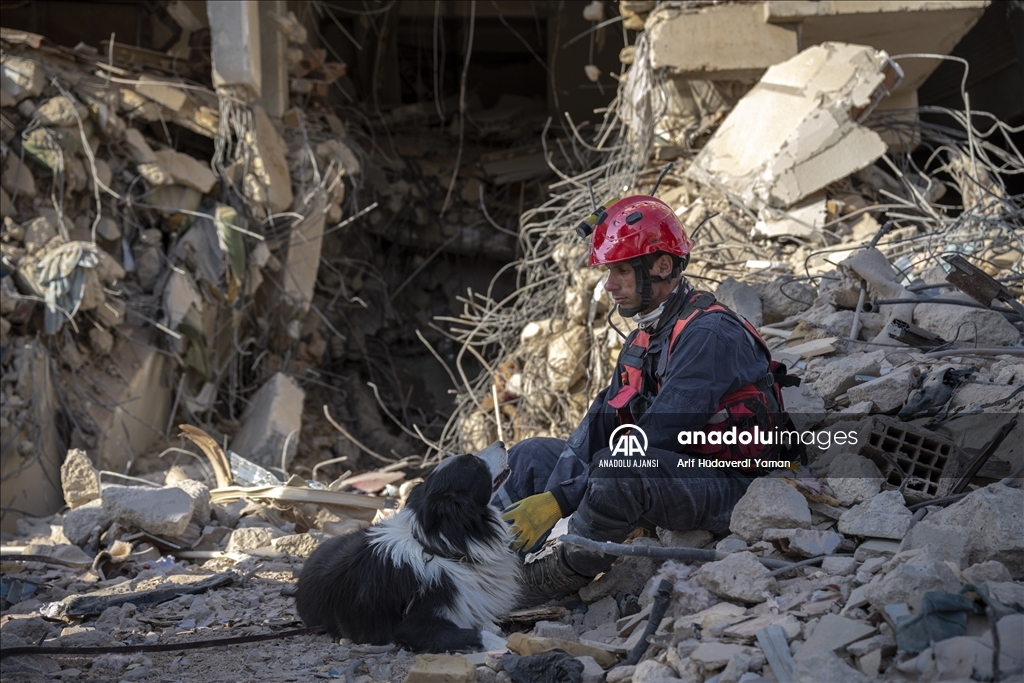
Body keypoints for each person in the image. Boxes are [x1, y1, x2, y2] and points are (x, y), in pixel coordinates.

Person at [494, 195, 797, 605]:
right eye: (608, 272)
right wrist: (552, 495)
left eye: (620, 270)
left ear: (662, 266)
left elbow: (658, 436)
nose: (609, 285)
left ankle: (549, 580)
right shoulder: (644, 337)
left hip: (731, 483)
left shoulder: (708, 334)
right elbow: (601, 419)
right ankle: (481, 563)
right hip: (673, 471)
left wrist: (562, 500)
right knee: (530, 456)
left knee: (619, 468)